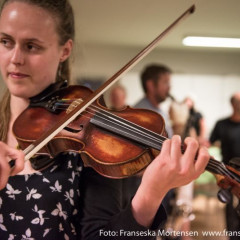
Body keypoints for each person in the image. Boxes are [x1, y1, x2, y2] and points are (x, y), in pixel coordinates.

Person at [0, 1, 210, 239]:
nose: (15, 58)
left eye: (31, 46)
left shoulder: (94, 144)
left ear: (64, 50)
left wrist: (151, 194)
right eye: (5, 41)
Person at [210, 92, 240, 240]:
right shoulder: (222, 124)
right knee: (231, 213)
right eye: (237, 101)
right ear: (232, 104)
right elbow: (209, 141)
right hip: (229, 175)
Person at [135, 64, 173, 138]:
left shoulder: (160, 111)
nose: (169, 87)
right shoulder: (141, 114)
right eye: (165, 82)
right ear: (151, 85)